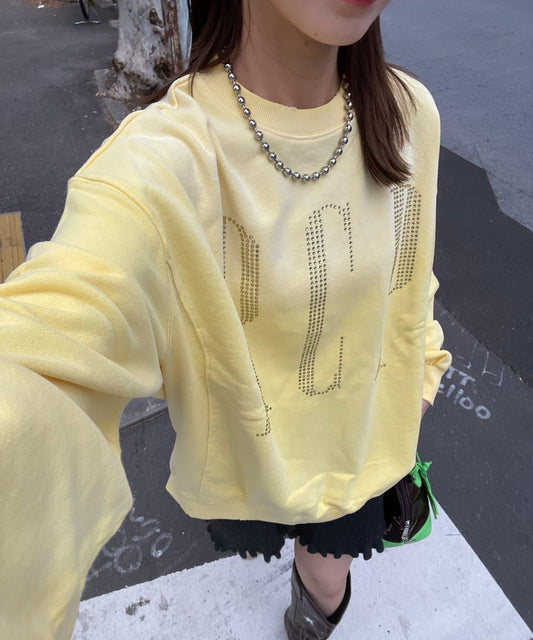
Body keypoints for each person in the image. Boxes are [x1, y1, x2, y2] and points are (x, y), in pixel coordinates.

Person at [0, 0, 453, 638]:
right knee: (270, 544)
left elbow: (410, 276)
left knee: (326, 586)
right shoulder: (161, 162)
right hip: (250, 466)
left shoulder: (409, 112)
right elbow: (50, 348)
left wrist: (421, 370)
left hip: (359, 455)